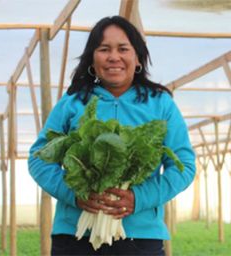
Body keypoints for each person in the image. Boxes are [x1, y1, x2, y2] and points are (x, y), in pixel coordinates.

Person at [28, 15, 196, 256]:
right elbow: (38, 158)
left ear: (137, 58)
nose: (114, 57)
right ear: (92, 59)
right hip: (74, 237)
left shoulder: (161, 104)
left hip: (140, 238)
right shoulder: (73, 102)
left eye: (123, 49)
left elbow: (183, 166)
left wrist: (138, 198)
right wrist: (75, 194)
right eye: (104, 49)